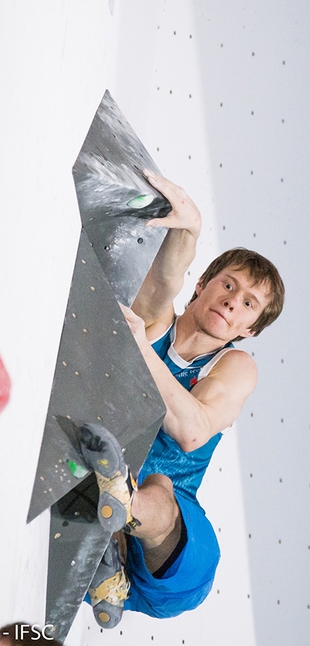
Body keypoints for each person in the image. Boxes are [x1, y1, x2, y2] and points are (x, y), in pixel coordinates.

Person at [80, 170, 285, 627]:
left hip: (166, 547)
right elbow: (162, 282)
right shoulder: (156, 322)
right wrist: (189, 228)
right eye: (228, 285)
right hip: (98, 477)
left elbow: (192, 431)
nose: (233, 301)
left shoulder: (235, 366)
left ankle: (125, 512)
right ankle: (109, 559)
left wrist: (139, 351)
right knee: (126, 474)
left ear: (248, 330)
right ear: (203, 285)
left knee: (164, 489)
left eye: (249, 304)